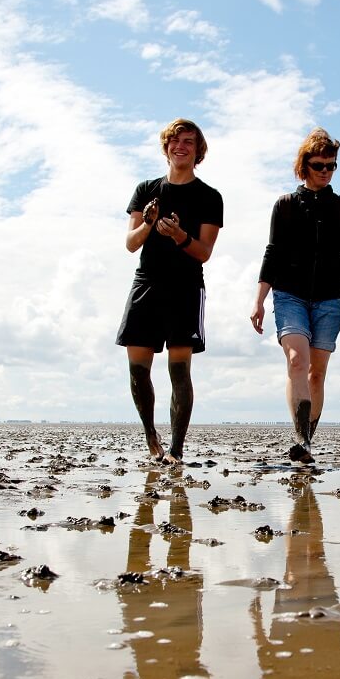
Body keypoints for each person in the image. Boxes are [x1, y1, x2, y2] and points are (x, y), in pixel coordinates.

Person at [250, 128, 340, 465]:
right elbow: (272, 255)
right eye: (319, 165)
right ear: (304, 166)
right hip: (289, 295)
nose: (326, 171)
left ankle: (306, 445)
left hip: (330, 299)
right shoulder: (285, 205)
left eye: (332, 166)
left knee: (317, 373)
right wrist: (258, 300)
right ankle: (301, 439)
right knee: (297, 361)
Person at [117, 118, 223, 464]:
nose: (181, 146)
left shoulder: (209, 197)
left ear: (198, 151)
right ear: (166, 148)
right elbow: (131, 244)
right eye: (175, 141)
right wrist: (149, 223)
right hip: (147, 282)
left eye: (189, 142)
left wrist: (180, 236)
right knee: (138, 371)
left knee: (179, 372)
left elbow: (204, 251)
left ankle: (176, 449)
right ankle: (151, 435)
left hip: (186, 287)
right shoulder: (146, 189)